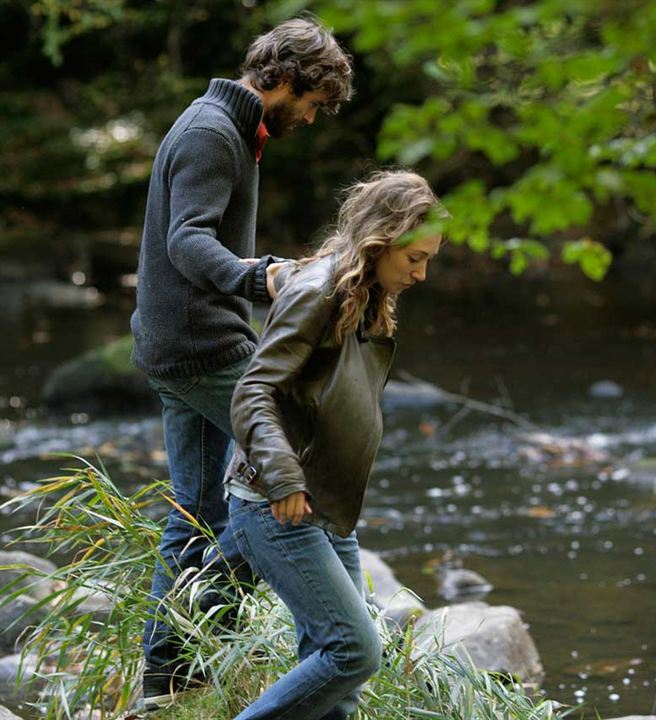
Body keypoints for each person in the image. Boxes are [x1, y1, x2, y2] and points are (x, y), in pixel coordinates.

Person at [128, 16, 353, 709]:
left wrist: (269, 271)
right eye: (312, 105)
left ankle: (169, 677)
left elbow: (202, 238)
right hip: (202, 349)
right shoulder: (209, 135)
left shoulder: (225, 128)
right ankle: (329, 653)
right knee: (285, 479)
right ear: (281, 79)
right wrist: (261, 279)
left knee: (196, 510)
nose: (312, 119)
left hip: (177, 344)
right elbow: (187, 243)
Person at [226, 170, 442, 720]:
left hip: (328, 505)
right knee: (354, 652)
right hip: (279, 505)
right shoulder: (317, 291)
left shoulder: (364, 295)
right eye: (413, 258)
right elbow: (254, 391)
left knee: (336, 686)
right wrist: (284, 478)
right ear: (380, 239)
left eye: (428, 260)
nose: (422, 274)